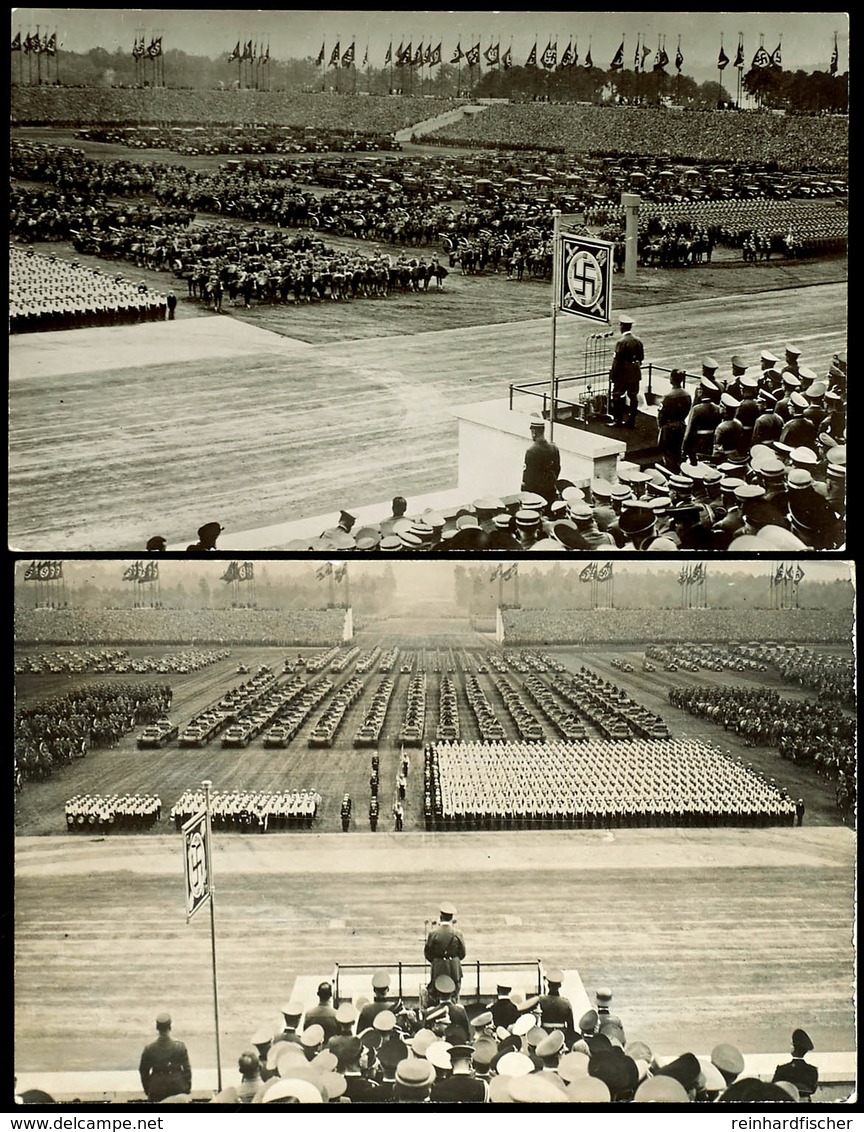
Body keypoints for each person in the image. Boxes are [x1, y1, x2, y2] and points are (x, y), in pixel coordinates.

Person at [139, 1012, 192, 1103]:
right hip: (177, 1088)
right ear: (170, 1027)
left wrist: (149, 1089)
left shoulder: (149, 1049)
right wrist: (186, 1088)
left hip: (157, 1089)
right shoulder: (180, 1047)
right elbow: (187, 1070)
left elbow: (143, 1071)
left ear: (157, 1028)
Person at [609, 314, 644, 428]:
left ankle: (617, 420)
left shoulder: (621, 342)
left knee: (617, 395)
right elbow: (641, 357)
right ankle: (631, 420)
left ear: (622, 327)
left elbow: (617, 361)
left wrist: (613, 376)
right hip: (635, 372)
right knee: (633, 396)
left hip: (623, 374)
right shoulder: (637, 340)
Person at [424, 903, 466, 998]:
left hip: (438, 967)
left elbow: (428, 953)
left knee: (438, 994)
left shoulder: (433, 933)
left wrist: (437, 960)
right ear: (451, 918)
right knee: (454, 996)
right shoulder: (457, 933)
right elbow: (462, 953)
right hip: (454, 967)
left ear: (440, 917)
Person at [657, 369, 692, 473]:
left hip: (668, 427)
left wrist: (661, 426)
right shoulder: (687, 395)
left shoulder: (668, 396)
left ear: (671, 379)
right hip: (681, 425)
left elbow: (661, 415)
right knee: (678, 450)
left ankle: (671, 472)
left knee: (668, 453)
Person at [521, 414, 560, 506]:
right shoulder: (554, 448)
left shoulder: (531, 451)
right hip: (550, 491)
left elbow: (528, 477)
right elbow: (557, 469)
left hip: (537, 495)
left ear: (534, 432)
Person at [772, 1029, 819, 1100]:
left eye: (791, 1044)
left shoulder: (782, 1069)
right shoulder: (812, 1070)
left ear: (793, 1048)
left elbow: (775, 1088)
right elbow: (813, 1089)